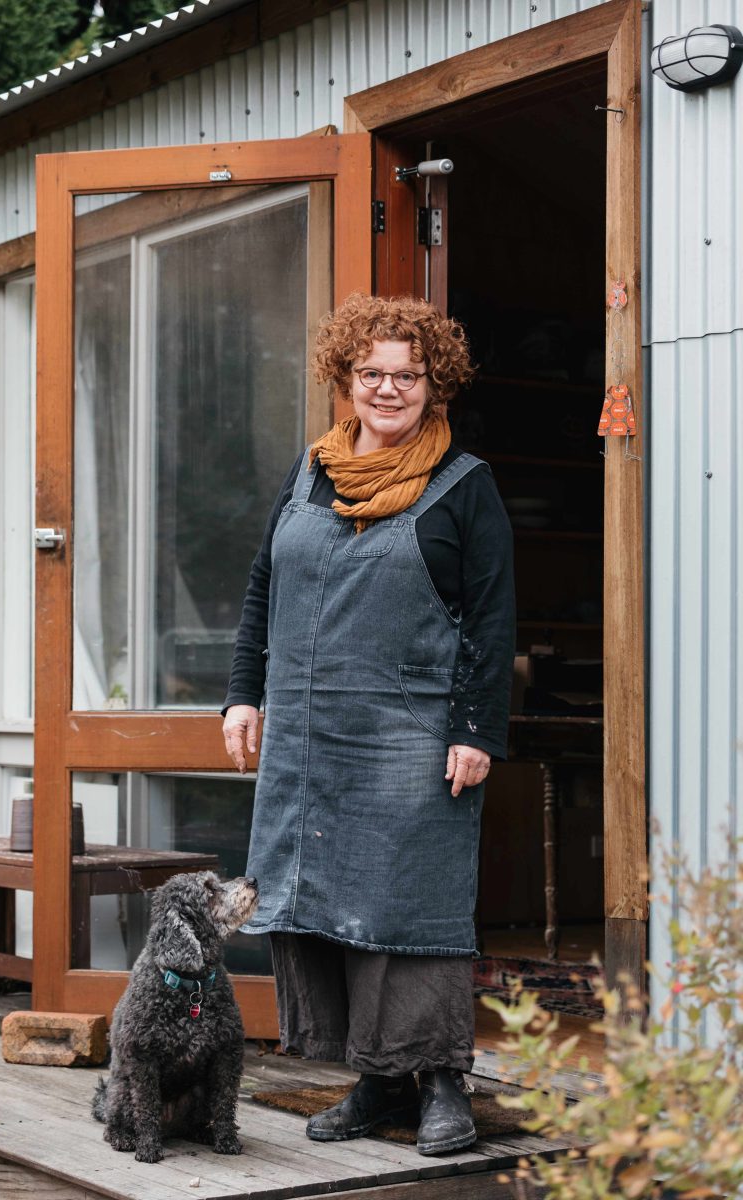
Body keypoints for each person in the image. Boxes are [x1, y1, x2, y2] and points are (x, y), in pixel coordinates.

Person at [222, 293, 515, 1156]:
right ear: (346, 379)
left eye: (408, 377)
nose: (388, 391)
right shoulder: (310, 470)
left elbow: (494, 620)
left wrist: (476, 729)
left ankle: (442, 1086)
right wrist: (245, 693)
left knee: (410, 910)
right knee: (321, 898)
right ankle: (377, 1079)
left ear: (436, 385)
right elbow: (262, 589)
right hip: (310, 734)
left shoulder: (466, 486)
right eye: (372, 375)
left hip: (411, 737)